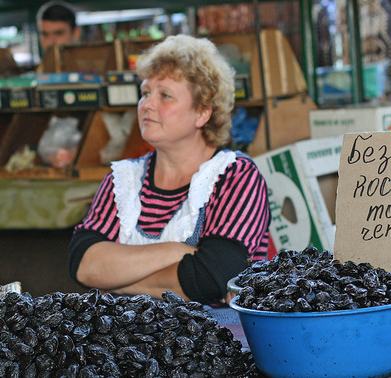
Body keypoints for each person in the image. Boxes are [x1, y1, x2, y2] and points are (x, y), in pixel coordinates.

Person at [67, 34, 271, 321]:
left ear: (202, 112)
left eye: (165, 95)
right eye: (145, 92)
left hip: (214, 343)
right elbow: (84, 265)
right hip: (125, 345)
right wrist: (179, 251)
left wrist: (116, 280)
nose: (147, 105)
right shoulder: (123, 179)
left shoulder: (235, 176)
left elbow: (212, 277)